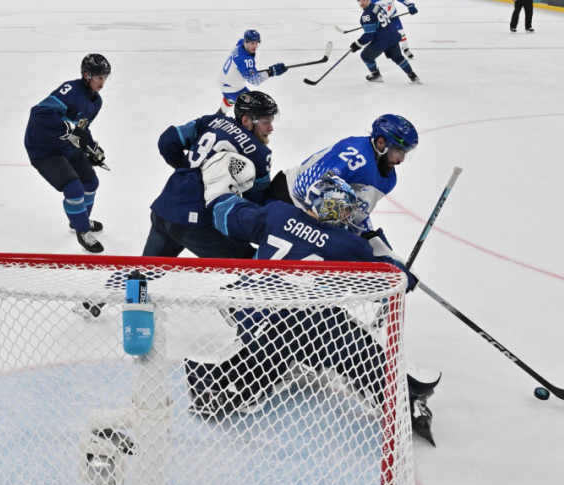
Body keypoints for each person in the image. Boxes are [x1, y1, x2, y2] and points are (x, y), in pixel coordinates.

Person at [187, 161, 439, 445]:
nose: (348, 216)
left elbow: (226, 216)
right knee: (355, 343)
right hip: (304, 325)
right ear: (329, 209)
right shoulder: (346, 244)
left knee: (288, 342)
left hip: (249, 314)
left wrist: (221, 194)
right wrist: (398, 267)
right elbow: (387, 282)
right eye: (344, 210)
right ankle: (400, 399)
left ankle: (226, 382)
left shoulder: (278, 213)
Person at [143, 90, 278, 258]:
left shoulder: (212, 121)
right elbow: (254, 204)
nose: (271, 128)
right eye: (266, 122)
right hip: (197, 223)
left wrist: (186, 171)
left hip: (164, 208)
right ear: (246, 120)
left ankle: (127, 278)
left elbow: (168, 140)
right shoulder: (259, 154)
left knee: (145, 270)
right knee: (249, 264)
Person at [267, 114, 419, 236]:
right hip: (286, 198)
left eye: (405, 153)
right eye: (398, 151)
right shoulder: (355, 155)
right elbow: (307, 188)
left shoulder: (389, 179)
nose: (401, 159)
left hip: (317, 214)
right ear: (381, 143)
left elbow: (357, 212)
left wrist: (369, 237)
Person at [24, 53, 111, 254]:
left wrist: (91, 147)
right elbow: (39, 113)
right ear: (86, 75)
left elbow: (81, 128)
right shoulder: (70, 90)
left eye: (105, 77)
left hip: (66, 146)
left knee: (91, 183)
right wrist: (67, 127)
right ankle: (83, 231)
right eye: (99, 77)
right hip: (43, 149)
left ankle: (79, 221)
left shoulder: (96, 101)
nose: (102, 82)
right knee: (73, 188)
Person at [216, 30, 287, 115]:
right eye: (252, 43)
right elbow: (254, 80)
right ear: (246, 42)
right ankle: (235, 121)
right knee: (253, 108)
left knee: (234, 99)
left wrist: (249, 71)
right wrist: (272, 72)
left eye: (256, 43)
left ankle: (219, 114)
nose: (255, 46)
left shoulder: (240, 43)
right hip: (231, 87)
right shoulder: (245, 60)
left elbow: (243, 67)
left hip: (226, 81)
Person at [349, 0, 419, 84]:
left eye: (364, 0)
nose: (361, 3)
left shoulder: (366, 15)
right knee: (398, 57)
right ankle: (412, 75)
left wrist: (357, 44)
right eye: (360, 1)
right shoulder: (377, 6)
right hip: (393, 36)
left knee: (365, 56)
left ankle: (376, 75)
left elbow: (370, 35)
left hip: (382, 40)